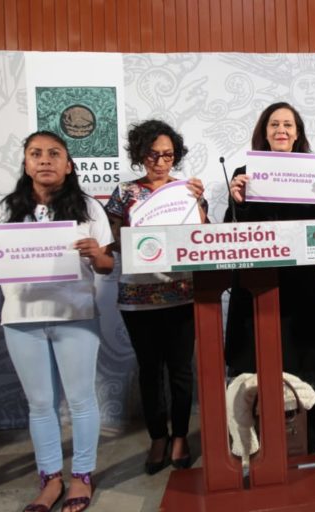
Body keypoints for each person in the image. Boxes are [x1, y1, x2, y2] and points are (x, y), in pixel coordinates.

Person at [0, 131, 113, 512]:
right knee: (40, 404)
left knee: (81, 400)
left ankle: (82, 476)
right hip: (21, 317)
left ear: (69, 165)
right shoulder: (2, 208)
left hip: (75, 315)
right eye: (36, 153)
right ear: (26, 163)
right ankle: (50, 480)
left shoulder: (89, 208)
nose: (45, 160)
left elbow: (108, 266)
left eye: (54, 154)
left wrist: (96, 254)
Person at [225, 101, 315, 453]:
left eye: (288, 124)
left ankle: (304, 443)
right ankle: (255, 444)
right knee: (255, 367)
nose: (281, 130)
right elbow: (232, 234)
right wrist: (238, 201)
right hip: (255, 288)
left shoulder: (314, 175)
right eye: (274, 124)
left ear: (298, 133)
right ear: (264, 131)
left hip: (300, 289)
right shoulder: (245, 173)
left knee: (301, 366)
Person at [105, 120, 207, 475]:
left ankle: (180, 436)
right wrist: (142, 238)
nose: (161, 162)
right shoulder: (124, 192)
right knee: (149, 370)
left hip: (181, 292)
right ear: (140, 154)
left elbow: (202, 238)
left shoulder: (187, 190)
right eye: (153, 155)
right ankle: (157, 437)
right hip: (138, 295)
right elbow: (115, 242)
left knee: (181, 370)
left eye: (168, 155)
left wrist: (198, 203)